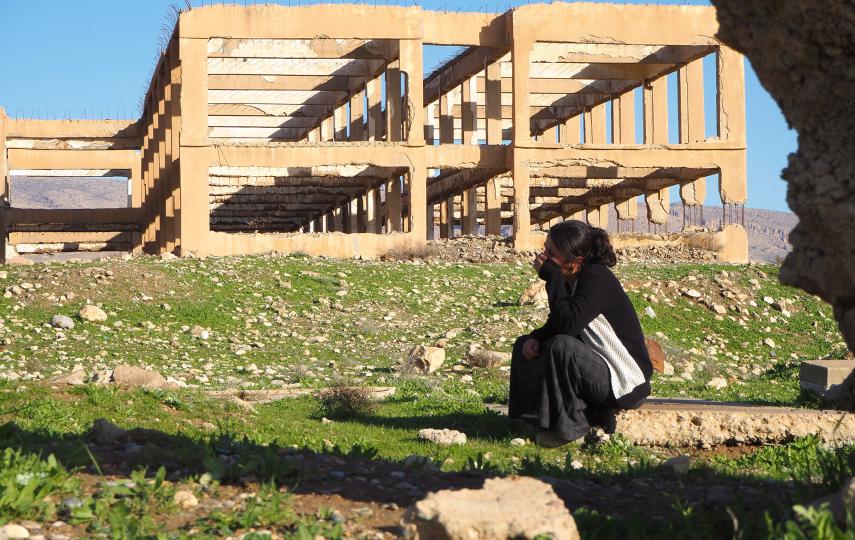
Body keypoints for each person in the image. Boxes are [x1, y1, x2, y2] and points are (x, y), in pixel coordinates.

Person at [509, 220, 652, 447]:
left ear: (575, 262)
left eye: (550, 252)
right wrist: (535, 338)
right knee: (525, 344)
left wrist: (552, 277)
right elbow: (558, 321)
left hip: (624, 377)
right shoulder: (572, 278)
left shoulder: (596, 278)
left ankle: (571, 429)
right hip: (598, 365)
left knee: (561, 346)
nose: (543, 257)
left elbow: (569, 325)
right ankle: (531, 419)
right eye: (545, 249)